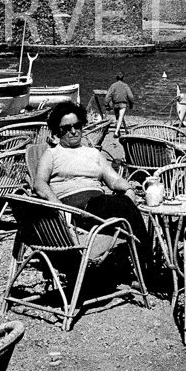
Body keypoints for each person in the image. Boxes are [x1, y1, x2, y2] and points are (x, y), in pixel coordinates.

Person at [33, 100, 153, 276]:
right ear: (57, 131)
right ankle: (149, 267)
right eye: (66, 128)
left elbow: (114, 180)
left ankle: (144, 263)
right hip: (75, 210)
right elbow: (39, 184)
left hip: (98, 207)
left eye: (77, 125)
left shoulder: (93, 153)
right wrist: (59, 206)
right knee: (124, 206)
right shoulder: (52, 154)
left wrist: (129, 189)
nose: (73, 131)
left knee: (123, 203)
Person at [105, 72, 135, 137]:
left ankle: (125, 130)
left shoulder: (113, 85)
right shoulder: (126, 85)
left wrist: (106, 104)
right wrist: (131, 104)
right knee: (120, 117)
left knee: (118, 118)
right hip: (123, 104)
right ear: (123, 78)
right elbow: (130, 96)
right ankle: (116, 132)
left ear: (116, 78)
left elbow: (108, 95)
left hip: (115, 104)